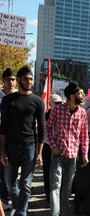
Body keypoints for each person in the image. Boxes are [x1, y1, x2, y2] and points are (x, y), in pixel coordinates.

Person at [0, 66, 45, 216]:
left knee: (26, 184)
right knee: (10, 183)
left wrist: (39, 153)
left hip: (29, 147)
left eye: (31, 79)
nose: (28, 81)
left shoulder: (38, 101)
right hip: (11, 147)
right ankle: (20, 207)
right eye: (26, 78)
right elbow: (3, 127)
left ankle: (21, 213)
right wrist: (2, 151)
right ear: (19, 80)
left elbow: (42, 129)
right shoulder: (7, 100)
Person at [46, 81, 89, 216]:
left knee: (67, 188)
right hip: (58, 154)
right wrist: (53, 146)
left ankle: (63, 213)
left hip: (73, 156)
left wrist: (85, 154)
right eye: (80, 93)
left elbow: (84, 136)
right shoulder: (58, 110)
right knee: (55, 186)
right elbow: (47, 128)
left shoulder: (82, 113)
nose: (83, 96)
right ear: (72, 96)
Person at [0, 68, 17, 211]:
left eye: (13, 79)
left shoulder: (20, 96)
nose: (11, 82)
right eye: (8, 79)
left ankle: (9, 198)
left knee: (11, 172)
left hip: (15, 141)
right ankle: (3, 199)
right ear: (3, 81)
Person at [42, 94, 63, 204]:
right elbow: (43, 132)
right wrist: (51, 145)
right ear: (50, 104)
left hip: (59, 147)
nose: (59, 105)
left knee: (58, 172)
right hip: (47, 147)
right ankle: (48, 196)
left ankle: (57, 196)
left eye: (60, 103)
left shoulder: (63, 115)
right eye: (57, 103)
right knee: (47, 171)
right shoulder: (45, 116)